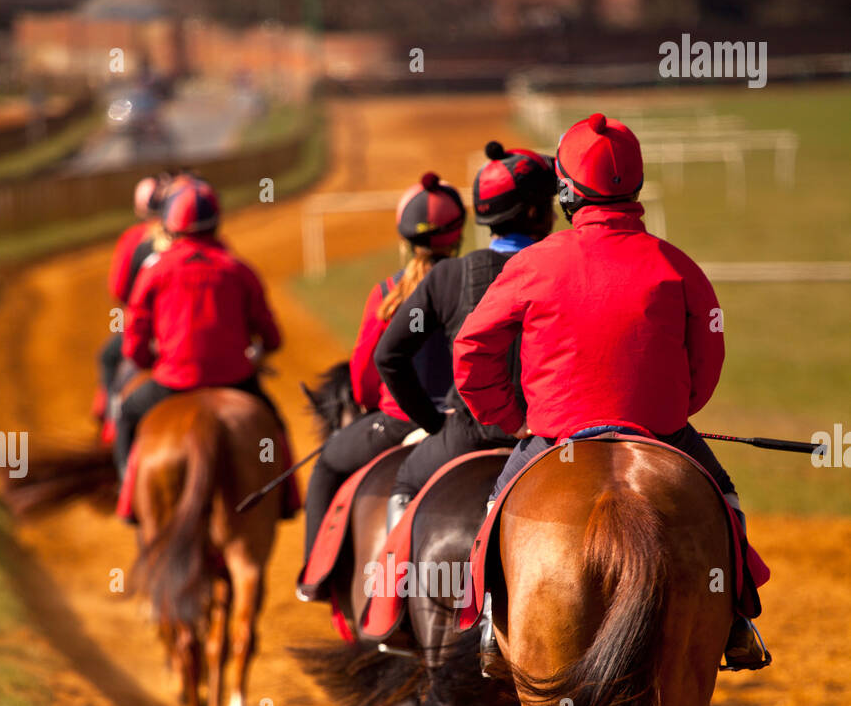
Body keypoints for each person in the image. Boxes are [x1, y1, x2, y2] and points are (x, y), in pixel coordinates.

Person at [453, 112, 768, 671]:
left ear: (568, 193)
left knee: (496, 508)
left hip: (552, 438)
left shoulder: (531, 264)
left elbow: (471, 350)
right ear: (636, 185)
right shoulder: (679, 265)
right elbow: (709, 353)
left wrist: (510, 418)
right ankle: (739, 620)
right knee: (724, 498)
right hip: (662, 433)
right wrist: (673, 411)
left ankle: (488, 625)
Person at [374, 141, 556, 531]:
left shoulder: (448, 276)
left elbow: (388, 356)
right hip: (551, 440)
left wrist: (433, 422)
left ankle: (388, 589)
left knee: (405, 483)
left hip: (464, 438)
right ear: (535, 211)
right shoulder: (565, 268)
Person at [299, 172, 466, 589]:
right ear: (459, 235)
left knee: (325, 465)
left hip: (398, 423)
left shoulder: (387, 292)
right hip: (467, 423)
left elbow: (363, 372)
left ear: (406, 240)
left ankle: (315, 576)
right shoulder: (474, 283)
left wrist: (367, 401)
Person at [114, 176, 281, 480]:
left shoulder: (154, 271)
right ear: (216, 224)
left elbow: (133, 341)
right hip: (235, 380)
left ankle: (128, 497)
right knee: (273, 425)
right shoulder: (238, 269)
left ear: (170, 226)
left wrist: (151, 363)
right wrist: (257, 354)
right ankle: (286, 495)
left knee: (126, 415)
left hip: (172, 381)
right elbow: (272, 337)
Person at [96, 174, 170, 416]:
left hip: (150, 332)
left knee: (107, 358)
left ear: (141, 208)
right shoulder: (200, 242)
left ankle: (111, 412)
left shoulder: (134, 239)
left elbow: (119, 290)